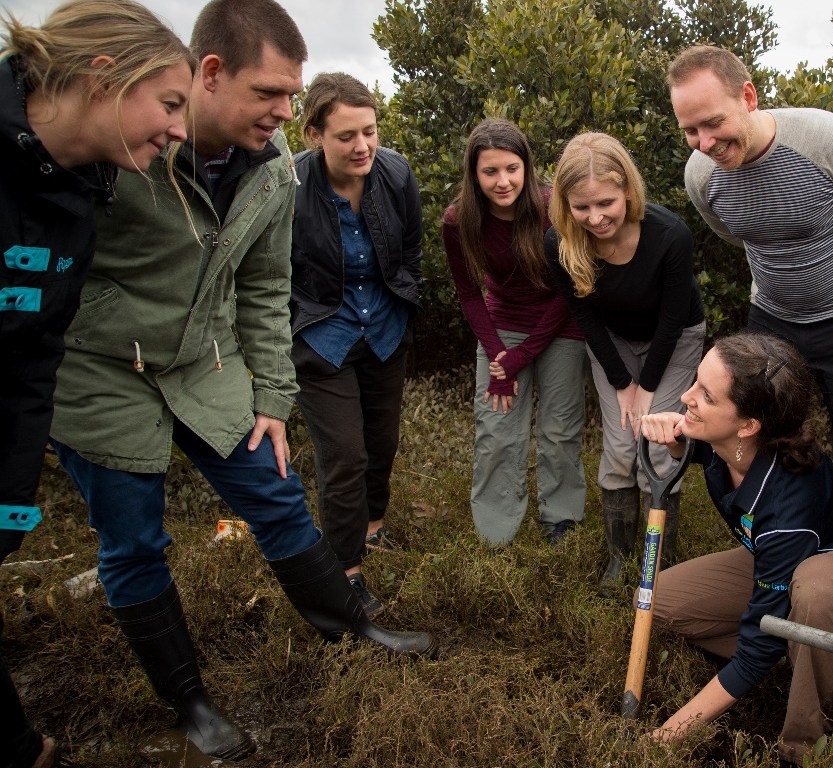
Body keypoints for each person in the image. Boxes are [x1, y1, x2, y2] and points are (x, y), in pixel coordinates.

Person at [46, 1, 436, 761]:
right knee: (132, 540)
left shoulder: (270, 170)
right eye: (270, 94)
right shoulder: (123, 135)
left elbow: (265, 286)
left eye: (292, 97)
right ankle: (189, 702)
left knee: (276, 494)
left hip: (206, 363)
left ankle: (351, 624)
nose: (286, 112)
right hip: (101, 369)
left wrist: (270, 398)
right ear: (212, 73)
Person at [1, 2, 192, 765]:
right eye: (170, 104)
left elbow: (33, 356)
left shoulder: (81, 199)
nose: (179, 128)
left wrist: (12, 501)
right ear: (106, 76)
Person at [667, 44, 833, 530]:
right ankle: (784, 543)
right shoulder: (700, 176)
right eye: (691, 130)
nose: (705, 142)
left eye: (713, 123)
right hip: (772, 322)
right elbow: (734, 230)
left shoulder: (825, 138)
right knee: (770, 443)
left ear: (749, 97)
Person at [640, 332, 833, 766]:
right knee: (661, 600)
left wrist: (672, 731)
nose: (686, 397)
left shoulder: (787, 507)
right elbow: (697, 452)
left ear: (748, 425)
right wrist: (675, 438)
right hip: (788, 566)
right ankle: (807, 658)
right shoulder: (728, 444)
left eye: (705, 396)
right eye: (695, 382)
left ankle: (800, 750)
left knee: (815, 592)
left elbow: (756, 645)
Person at [545, 132, 704, 595]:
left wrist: (648, 387)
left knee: (656, 440)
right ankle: (619, 559)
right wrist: (622, 382)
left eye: (607, 204)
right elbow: (584, 315)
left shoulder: (670, 234)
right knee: (619, 445)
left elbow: (675, 318)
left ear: (628, 192)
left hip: (672, 341)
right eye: (581, 208)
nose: (595, 218)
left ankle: (662, 564)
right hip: (612, 343)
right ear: (565, 203)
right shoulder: (558, 243)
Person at [290, 72, 422, 617]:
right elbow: (272, 271)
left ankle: (372, 526)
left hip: (385, 329)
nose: (363, 146)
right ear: (314, 133)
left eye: (369, 131)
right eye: (346, 135)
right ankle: (345, 575)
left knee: (381, 443)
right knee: (344, 457)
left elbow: (410, 248)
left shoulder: (395, 174)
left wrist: (405, 303)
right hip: (324, 335)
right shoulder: (291, 186)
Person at [443, 119, 586, 546]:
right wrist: (498, 356)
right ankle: (496, 529)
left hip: (562, 325)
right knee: (496, 429)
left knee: (560, 429)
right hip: (501, 325)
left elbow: (570, 290)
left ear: (526, 166)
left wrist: (523, 355)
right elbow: (469, 293)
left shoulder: (552, 210)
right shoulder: (459, 220)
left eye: (511, 168)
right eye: (490, 172)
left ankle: (560, 519)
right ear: (474, 174)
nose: (502, 181)